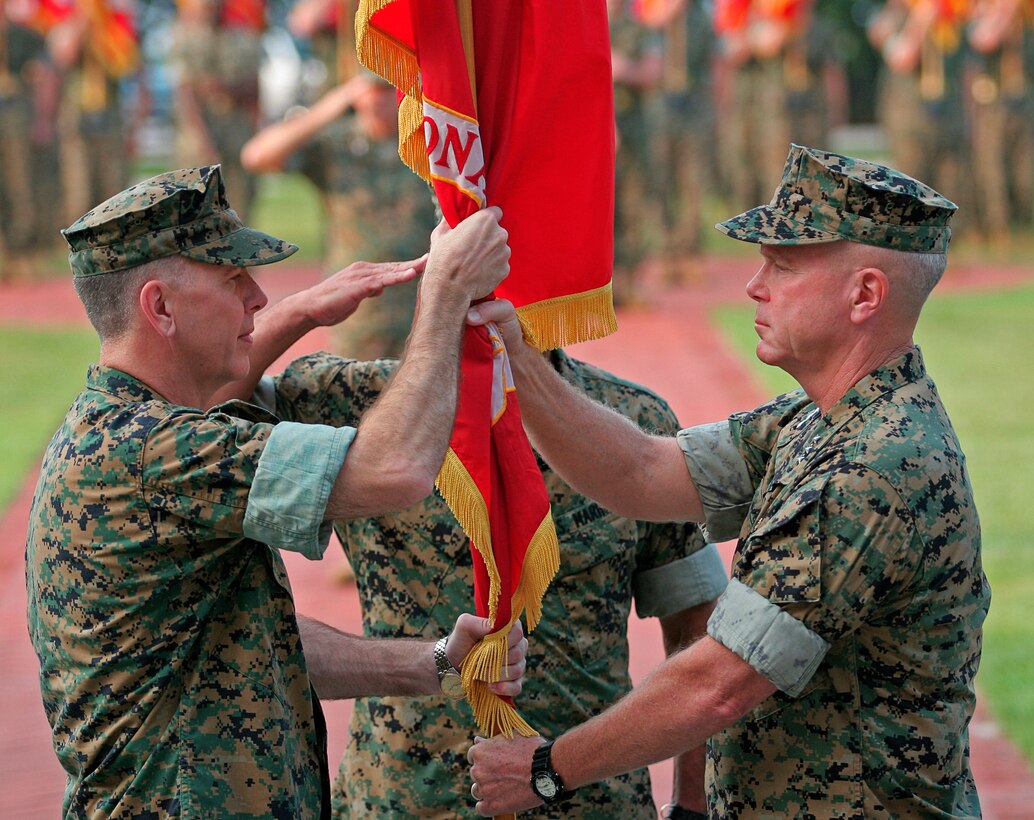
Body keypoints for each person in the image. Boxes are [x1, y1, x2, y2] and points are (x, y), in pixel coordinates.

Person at [466, 144, 990, 818]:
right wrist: (518, 354)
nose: (754, 285)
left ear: (865, 294)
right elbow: (643, 470)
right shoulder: (823, 417)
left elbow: (720, 682)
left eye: (783, 266)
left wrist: (545, 770)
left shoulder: (874, 467)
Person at [25, 164, 526, 817]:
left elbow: (249, 641)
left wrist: (432, 661)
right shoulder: (154, 452)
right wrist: (444, 292)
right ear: (160, 307)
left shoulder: (133, 434)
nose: (258, 298)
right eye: (234, 280)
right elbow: (393, 469)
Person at [257, 349, 723, 818]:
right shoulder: (354, 402)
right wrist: (303, 311)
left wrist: (693, 802)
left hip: (589, 800)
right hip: (401, 797)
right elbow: (195, 406)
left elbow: (695, 612)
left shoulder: (631, 419)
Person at [241, 71, 436, 360]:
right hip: (359, 310)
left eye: (387, 90)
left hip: (421, 302)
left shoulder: (423, 141)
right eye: (372, 90)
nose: (379, 100)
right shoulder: (337, 145)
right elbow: (257, 156)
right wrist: (332, 104)